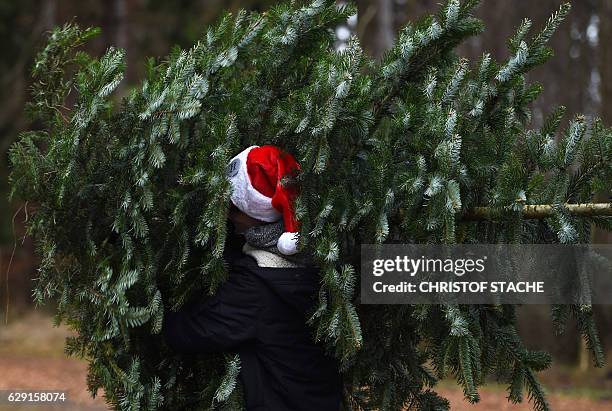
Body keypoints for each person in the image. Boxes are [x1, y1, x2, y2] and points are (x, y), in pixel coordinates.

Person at [163, 145, 343, 411]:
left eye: (234, 208)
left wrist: (154, 302)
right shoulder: (323, 255)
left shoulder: (258, 286)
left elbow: (189, 332)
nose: (226, 215)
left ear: (259, 214)